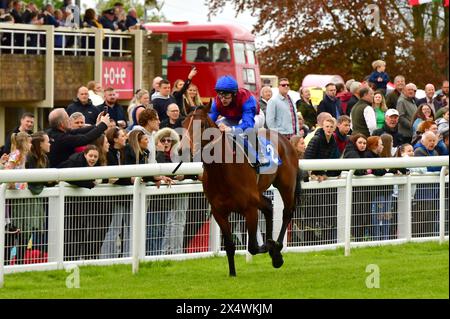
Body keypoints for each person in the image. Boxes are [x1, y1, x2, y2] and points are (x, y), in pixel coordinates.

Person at [209, 75, 268, 167]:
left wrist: (231, 130)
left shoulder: (246, 98)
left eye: (226, 95)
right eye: (220, 94)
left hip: (255, 117)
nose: (223, 99)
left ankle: (260, 155)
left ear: (234, 93)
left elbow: (248, 124)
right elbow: (210, 121)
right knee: (217, 125)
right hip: (232, 118)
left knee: (244, 130)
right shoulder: (216, 102)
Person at [304, 117, 341, 182]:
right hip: (314, 172)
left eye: (331, 127)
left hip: (324, 173)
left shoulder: (333, 141)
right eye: (327, 126)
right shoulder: (316, 139)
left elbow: (334, 159)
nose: (329, 129)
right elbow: (307, 157)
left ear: (334, 129)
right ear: (323, 127)